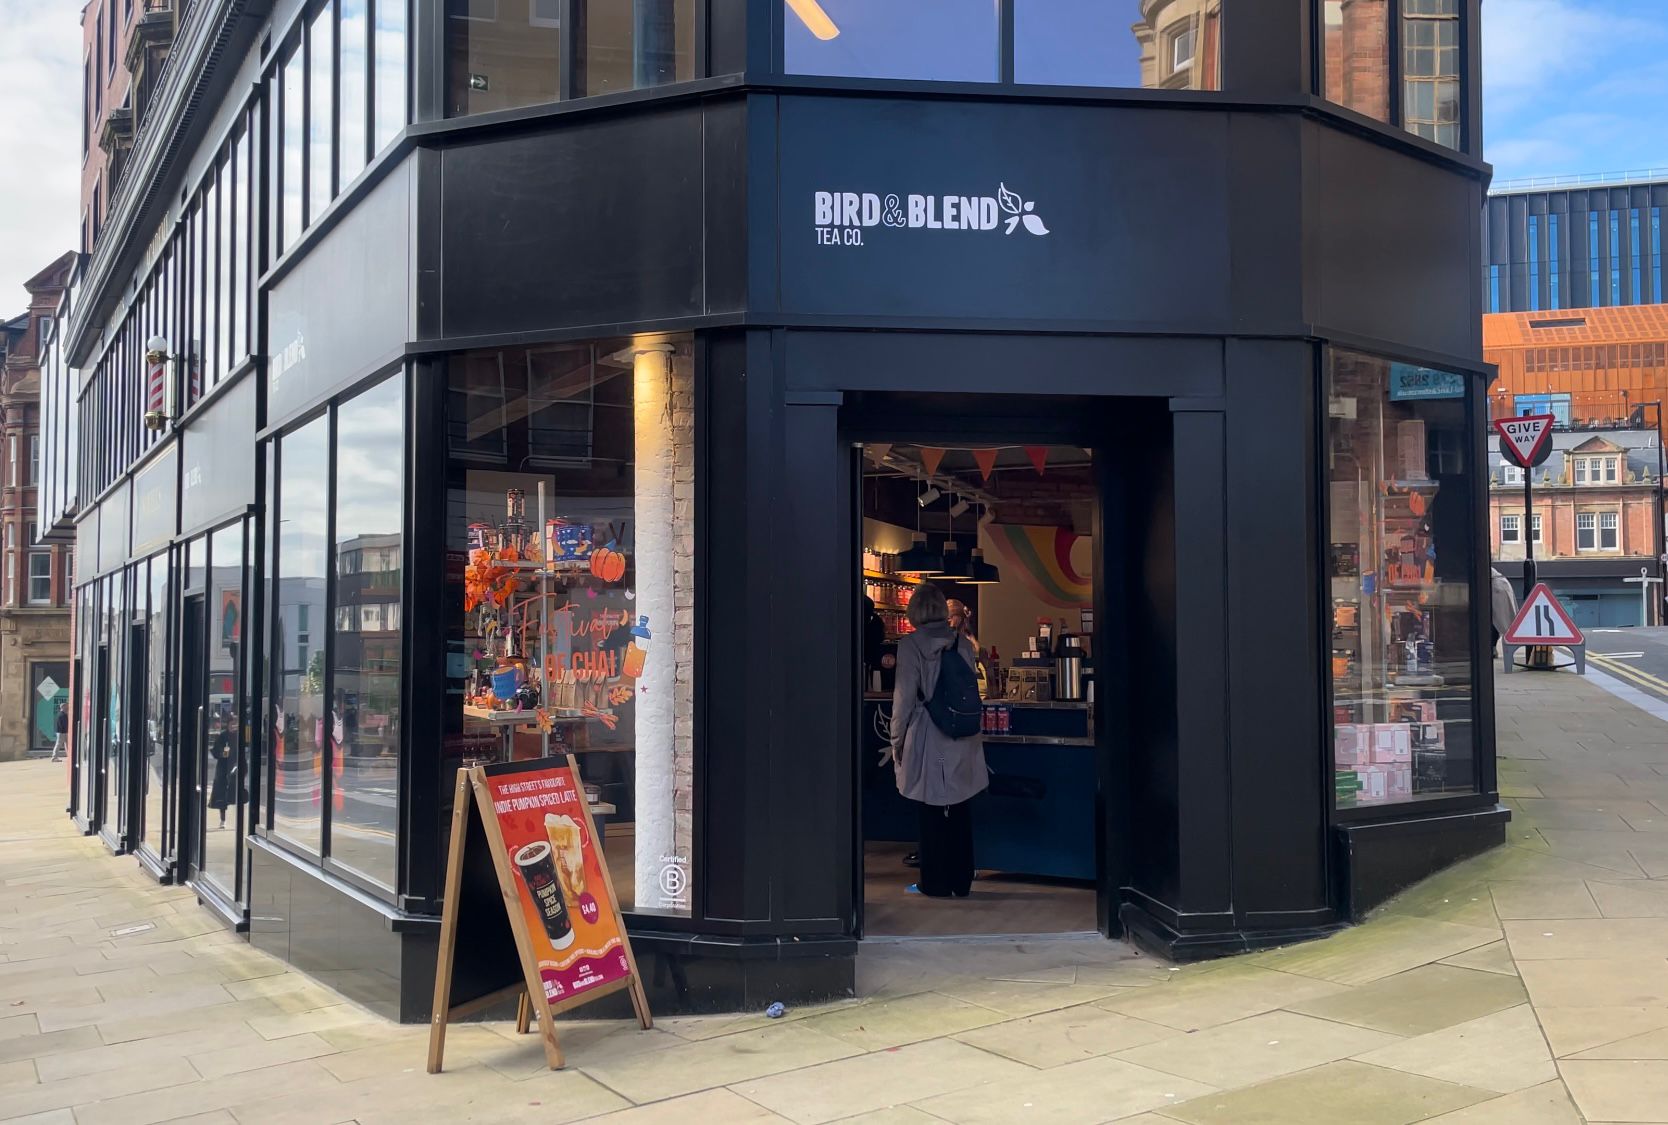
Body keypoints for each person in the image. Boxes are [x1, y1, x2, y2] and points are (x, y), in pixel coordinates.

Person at [887, 583, 988, 898]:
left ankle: (934, 883)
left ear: (914, 611)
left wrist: (896, 740)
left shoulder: (911, 645)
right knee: (960, 808)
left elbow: (903, 698)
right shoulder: (962, 642)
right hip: (963, 735)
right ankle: (961, 880)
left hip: (930, 734)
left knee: (930, 810)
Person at [208, 714, 236, 829]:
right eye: (232, 723)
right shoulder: (222, 736)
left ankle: (239, 820)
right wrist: (223, 753)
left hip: (234, 767)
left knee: (235, 794)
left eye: (236, 724)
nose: (234, 726)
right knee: (222, 796)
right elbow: (215, 751)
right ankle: (223, 820)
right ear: (228, 724)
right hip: (223, 769)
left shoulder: (239, 736)